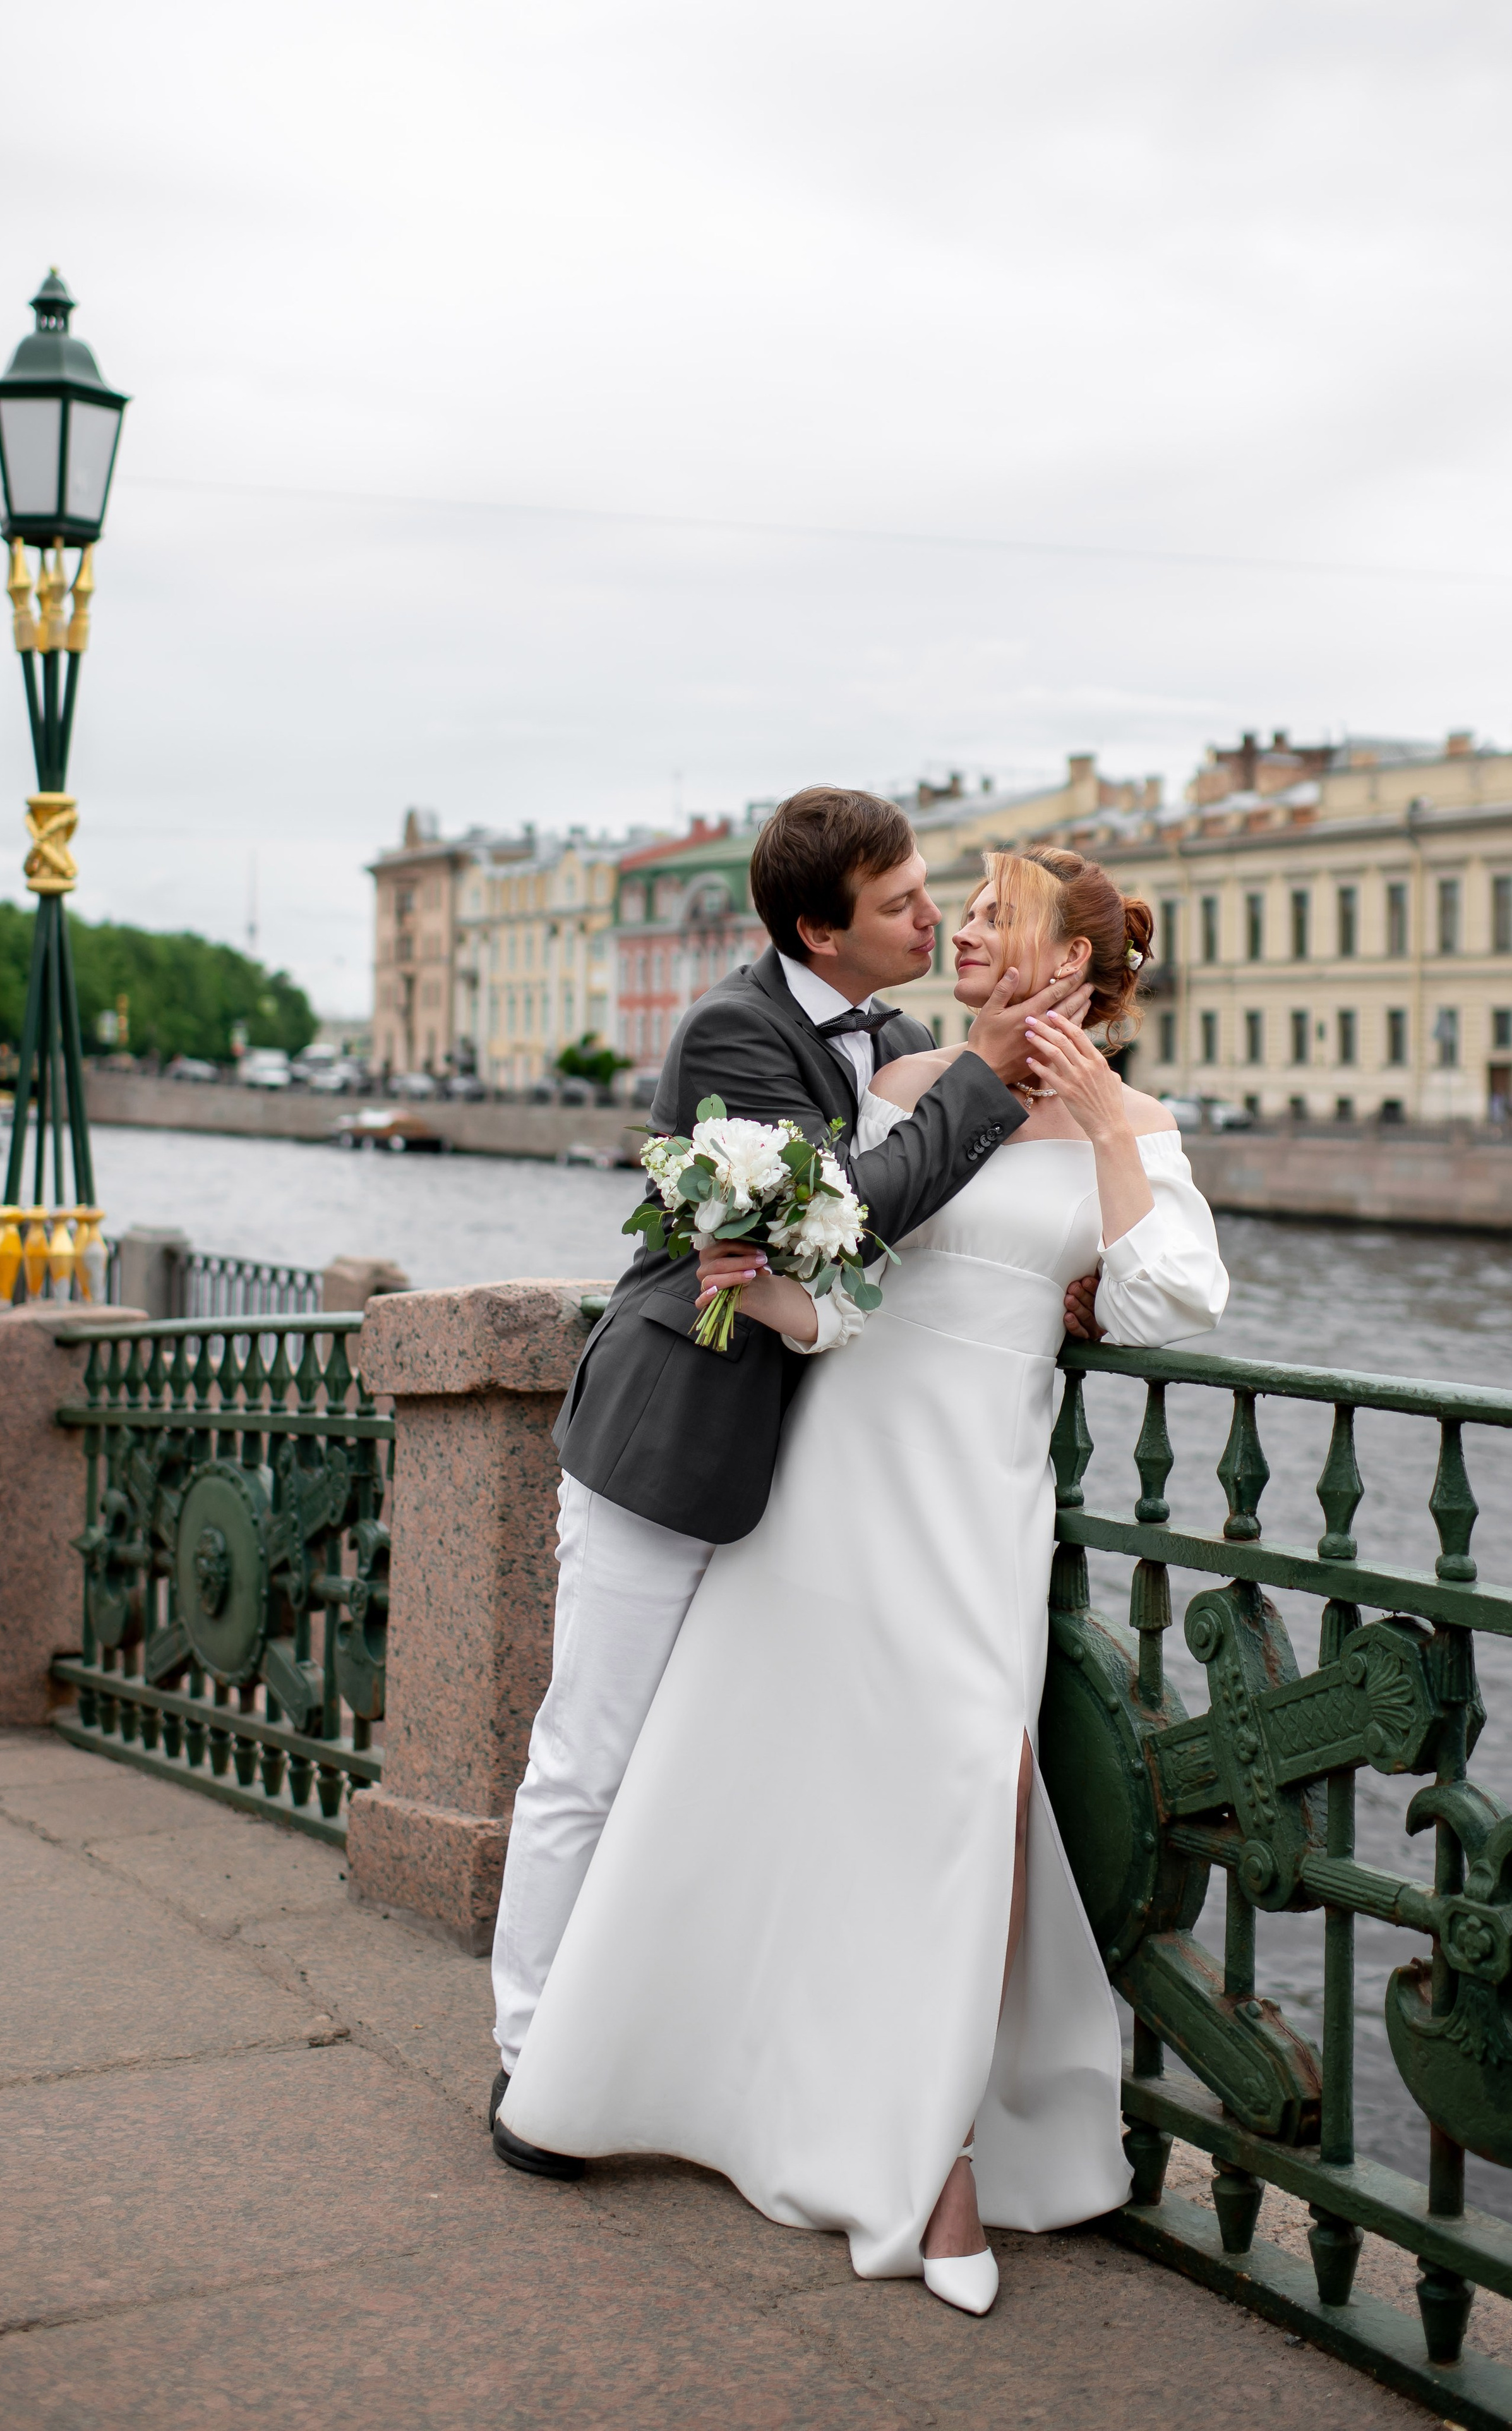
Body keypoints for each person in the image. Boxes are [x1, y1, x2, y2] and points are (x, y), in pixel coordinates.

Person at [497, 844, 1228, 2316]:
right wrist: (767, 1289)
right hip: (832, 1483)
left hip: (973, 1496)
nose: (954, 928)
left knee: (963, 1785)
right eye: (943, 910)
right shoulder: (895, 1086)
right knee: (775, 1778)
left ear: (1070, 959)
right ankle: (757, 2100)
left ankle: (937, 2146)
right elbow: (854, 1282)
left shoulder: (1134, 1119)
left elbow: (1165, 1304)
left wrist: (1097, 1129)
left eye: (986, 914)